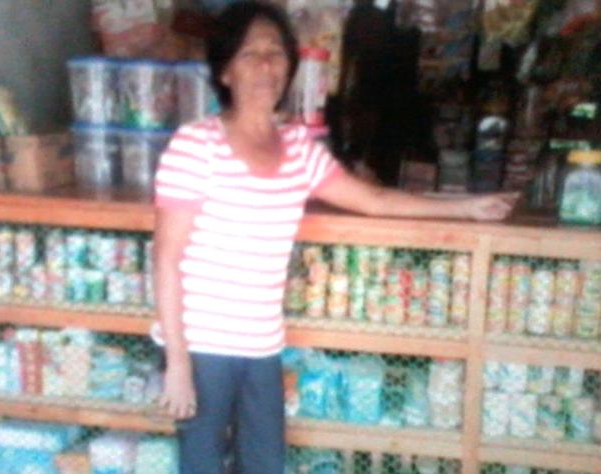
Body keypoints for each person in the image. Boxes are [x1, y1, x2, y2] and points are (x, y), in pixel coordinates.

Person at [153, 2, 518, 473]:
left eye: (275, 53)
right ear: (225, 71)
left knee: (265, 465)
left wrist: (466, 207)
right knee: (201, 465)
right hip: (201, 345)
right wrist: (178, 363)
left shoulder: (299, 150)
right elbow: (166, 259)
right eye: (249, 54)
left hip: (261, 344)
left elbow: (374, 200)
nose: (266, 65)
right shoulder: (196, 145)